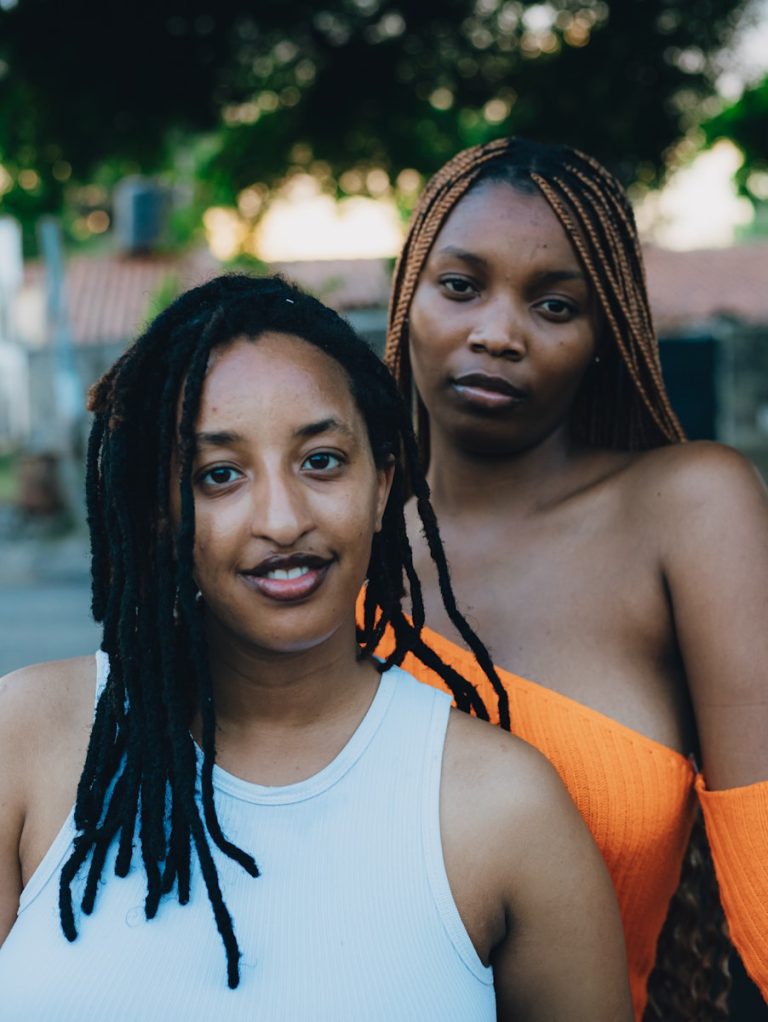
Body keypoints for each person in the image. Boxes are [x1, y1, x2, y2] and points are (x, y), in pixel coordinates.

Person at [0, 274, 632, 1020]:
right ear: (157, 514)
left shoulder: (502, 807)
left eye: (321, 461)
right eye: (219, 476)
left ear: (381, 483)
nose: (282, 517)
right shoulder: (28, 736)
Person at [379, 137, 768, 1020]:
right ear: (408, 298)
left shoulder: (685, 513)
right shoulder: (332, 540)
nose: (497, 333)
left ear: (604, 337)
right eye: (461, 285)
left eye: (555, 305)